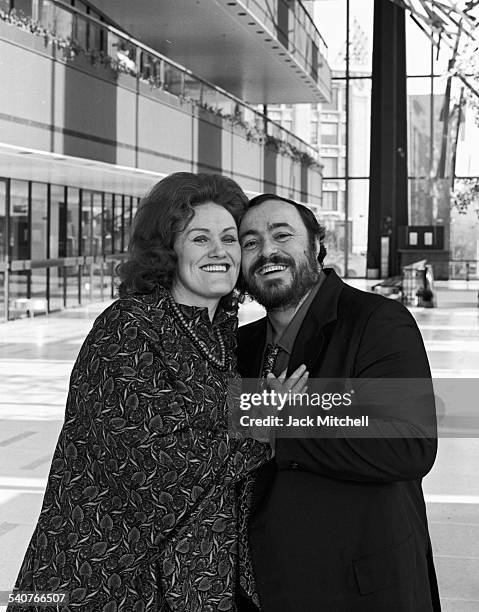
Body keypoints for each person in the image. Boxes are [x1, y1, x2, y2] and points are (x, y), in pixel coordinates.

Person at [8, 175, 308, 612]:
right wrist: (266, 424)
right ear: (169, 250)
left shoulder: (224, 336)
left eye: (229, 239)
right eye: (199, 238)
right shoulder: (129, 326)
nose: (219, 252)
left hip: (193, 583)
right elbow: (153, 467)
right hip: (105, 580)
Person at [236, 194, 441, 612]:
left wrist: (281, 427)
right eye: (250, 242)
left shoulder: (377, 322)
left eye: (282, 235)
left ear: (315, 245)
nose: (267, 251)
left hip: (362, 591)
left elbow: (409, 443)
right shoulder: (238, 346)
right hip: (269, 588)